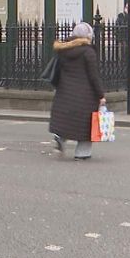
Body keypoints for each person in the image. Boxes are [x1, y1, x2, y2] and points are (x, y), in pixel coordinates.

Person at [49, 22, 106, 160]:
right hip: (86, 96)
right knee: (86, 126)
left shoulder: (63, 50)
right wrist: (101, 95)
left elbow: (58, 71)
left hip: (66, 92)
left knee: (67, 121)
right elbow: (94, 76)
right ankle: (82, 153)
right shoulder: (88, 52)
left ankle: (60, 138)